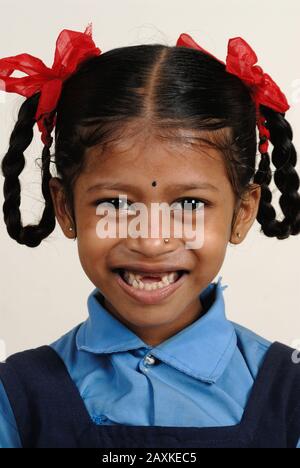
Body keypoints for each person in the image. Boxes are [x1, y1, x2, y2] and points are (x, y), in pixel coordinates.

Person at [0, 24, 299, 448]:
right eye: (117, 204)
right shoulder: (14, 397)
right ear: (65, 208)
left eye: (190, 205)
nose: (151, 240)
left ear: (242, 213)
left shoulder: (290, 394)